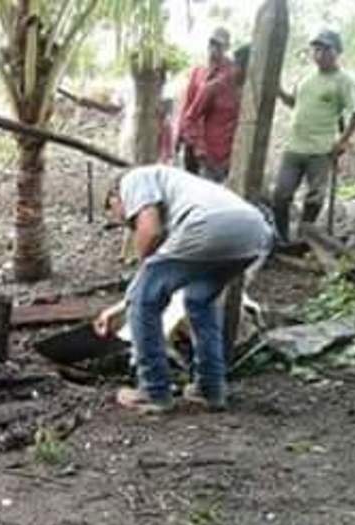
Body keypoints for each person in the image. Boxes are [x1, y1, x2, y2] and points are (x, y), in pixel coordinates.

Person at [96, 166, 273, 414]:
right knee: (199, 301)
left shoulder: (133, 179)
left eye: (115, 214)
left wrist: (138, 291)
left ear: (114, 196)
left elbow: (150, 231)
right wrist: (123, 303)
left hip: (209, 226)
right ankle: (210, 389)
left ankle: (153, 391)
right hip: (254, 232)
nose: (125, 223)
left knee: (144, 302)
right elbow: (160, 264)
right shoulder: (177, 190)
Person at [272, 30, 355, 247]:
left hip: (320, 150)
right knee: (281, 195)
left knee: (314, 197)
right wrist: (280, 91)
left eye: (325, 49)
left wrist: (343, 141)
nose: (319, 54)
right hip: (294, 147)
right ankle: (282, 238)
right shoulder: (306, 78)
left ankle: (305, 238)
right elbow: (294, 103)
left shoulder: (344, 81)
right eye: (317, 49)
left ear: (337, 52)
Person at [181, 44, 251, 182]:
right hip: (210, 161)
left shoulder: (247, 93)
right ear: (238, 66)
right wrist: (201, 151)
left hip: (231, 162)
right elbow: (190, 119)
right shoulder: (215, 87)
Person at [177, 27, 233, 177]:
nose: (214, 48)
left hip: (213, 147)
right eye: (212, 43)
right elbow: (188, 103)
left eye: (219, 45)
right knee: (189, 178)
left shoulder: (229, 73)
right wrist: (180, 134)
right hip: (193, 138)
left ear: (226, 47)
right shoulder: (198, 71)